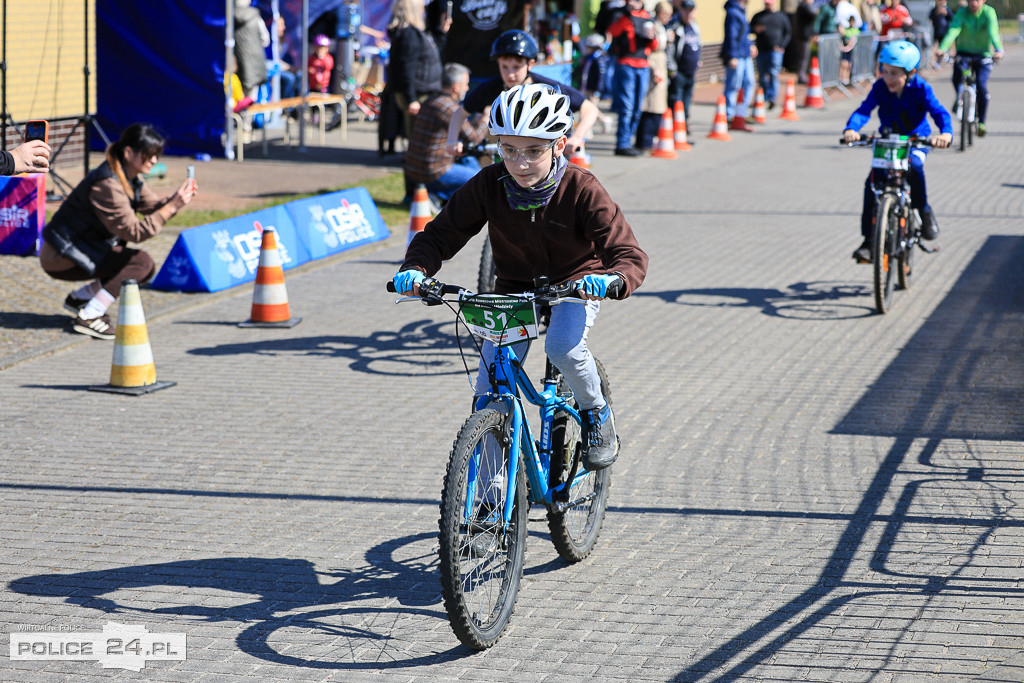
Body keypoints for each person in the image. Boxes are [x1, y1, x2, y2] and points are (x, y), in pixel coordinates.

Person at [393, 83, 648, 470]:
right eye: (508, 150)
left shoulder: (582, 189)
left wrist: (614, 278)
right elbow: (442, 233)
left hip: (575, 283)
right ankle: (493, 498)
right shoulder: (489, 184)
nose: (519, 162)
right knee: (490, 386)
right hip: (514, 287)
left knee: (562, 347)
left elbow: (627, 252)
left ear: (559, 146)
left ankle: (597, 414)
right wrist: (416, 268)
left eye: (533, 151)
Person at [38, 124, 198, 340]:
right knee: (141, 264)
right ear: (129, 153)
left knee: (134, 262)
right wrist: (172, 206)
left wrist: (177, 199)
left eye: (156, 156)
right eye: (148, 155)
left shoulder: (128, 176)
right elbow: (135, 231)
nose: (153, 161)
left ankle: (80, 299)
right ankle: (89, 316)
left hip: (81, 249)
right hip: (60, 256)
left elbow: (151, 205)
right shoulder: (107, 184)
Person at [842, 41, 951, 263]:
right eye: (885, 71)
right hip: (888, 141)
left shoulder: (921, 88)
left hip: (916, 140)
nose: (888, 78)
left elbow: (939, 113)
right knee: (871, 184)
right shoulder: (880, 87)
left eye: (895, 74)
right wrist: (852, 128)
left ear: (910, 73)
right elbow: (864, 110)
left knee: (915, 166)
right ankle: (869, 240)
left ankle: (924, 211)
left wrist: (946, 134)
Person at [446, 31, 600, 157]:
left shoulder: (547, 87)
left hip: (548, 154)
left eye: (516, 67)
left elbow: (590, 109)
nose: (510, 74)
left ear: (530, 64)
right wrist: (452, 141)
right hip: (512, 154)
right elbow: (460, 112)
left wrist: (577, 137)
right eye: (504, 66)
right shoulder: (490, 88)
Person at [404, 63, 489, 203]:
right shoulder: (449, 107)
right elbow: (474, 138)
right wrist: (485, 118)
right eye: (466, 84)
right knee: (482, 180)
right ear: (456, 87)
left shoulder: (430, 100)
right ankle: (436, 195)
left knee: (471, 162)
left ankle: (439, 195)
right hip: (433, 172)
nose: (467, 88)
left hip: (415, 168)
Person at [935, 0, 1003, 137]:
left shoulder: (989, 13)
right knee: (956, 78)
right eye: (971, 0)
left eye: (977, 0)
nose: (973, 3)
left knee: (981, 86)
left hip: (983, 55)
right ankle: (960, 97)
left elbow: (993, 32)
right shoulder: (962, 13)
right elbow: (953, 31)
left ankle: (982, 122)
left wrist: (999, 50)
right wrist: (942, 49)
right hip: (964, 54)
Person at [386, 0, 443, 149]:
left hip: (420, 92)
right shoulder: (409, 35)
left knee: (419, 138)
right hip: (417, 94)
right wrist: (411, 99)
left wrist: (442, 32)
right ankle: (415, 170)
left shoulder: (413, 33)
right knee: (418, 141)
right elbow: (406, 68)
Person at [607, 0, 659, 155]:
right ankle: (622, 143)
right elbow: (613, 31)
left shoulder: (647, 16)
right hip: (626, 64)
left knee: (637, 108)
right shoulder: (620, 14)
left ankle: (628, 141)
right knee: (627, 107)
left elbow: (653, 46)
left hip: (642, 65)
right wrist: (625, 15)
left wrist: (652, 37)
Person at [636, 1, 673, 151]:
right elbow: (649, 48)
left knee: (658, 105)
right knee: (651, 105)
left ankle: (649, 139)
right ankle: (645, 140)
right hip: (654, 65)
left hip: (660, 63)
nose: (669, 18)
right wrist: (653, 68)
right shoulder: (653, 26)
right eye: (667, 15)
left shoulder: (662, 27)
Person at [721, 0, 757, 132]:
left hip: (745, 53)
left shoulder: (742, 11)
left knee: (749, 82)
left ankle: (741, 112)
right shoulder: (733, 12)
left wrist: (750, 46)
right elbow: (731, 36)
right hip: (736, 55)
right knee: (733, 85)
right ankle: (729, 114)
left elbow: (744, 35)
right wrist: (732, 56)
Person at [750, 0, 791, 109]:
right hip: (761, 50)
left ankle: (772, 98)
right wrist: (755, 29)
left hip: (775, 51)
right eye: (766, 4)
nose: (767, 5)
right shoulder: (758, 16)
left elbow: (788, 33)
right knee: (762, 75)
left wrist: (781, 45)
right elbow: (749, 29)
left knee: (773, 73)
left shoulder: (781, 16)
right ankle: (764, 96)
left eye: (769, 3)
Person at [666, 0, 702, 122]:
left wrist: (698, 61)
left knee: (686, 103)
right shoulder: (675, 27)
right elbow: (669, 49)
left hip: (690, 72)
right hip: (678, 72)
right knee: (676, 102)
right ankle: (675, 129)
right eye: (686, 11)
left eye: (691, 12)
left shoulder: (694, 26)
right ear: (681, 11)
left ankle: (683, 128)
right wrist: (672, 70)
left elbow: (697, 45)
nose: (689, 15)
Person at [233, 0, 270, 99]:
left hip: (238, 63)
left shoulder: (229, 16)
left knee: (240, 97)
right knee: (250, 98)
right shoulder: (255, 16)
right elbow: (265, 40)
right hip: (255, 61)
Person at [792, 0, 818, 83]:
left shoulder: (803, 6)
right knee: (803, 57)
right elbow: (812, 14)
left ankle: (801, 75)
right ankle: (801, 76)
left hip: (803, 36)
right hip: (803, 36)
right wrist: (816, 11)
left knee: (804, 57)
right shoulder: (803, 6)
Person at [839, 15, 860, 85]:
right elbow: (844, 38)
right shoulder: (846, 30)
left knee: (849, 65)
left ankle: (847, 79)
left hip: (853, 51)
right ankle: (842, 78)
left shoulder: (856, 31)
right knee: (844, 64)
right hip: (846, 50)